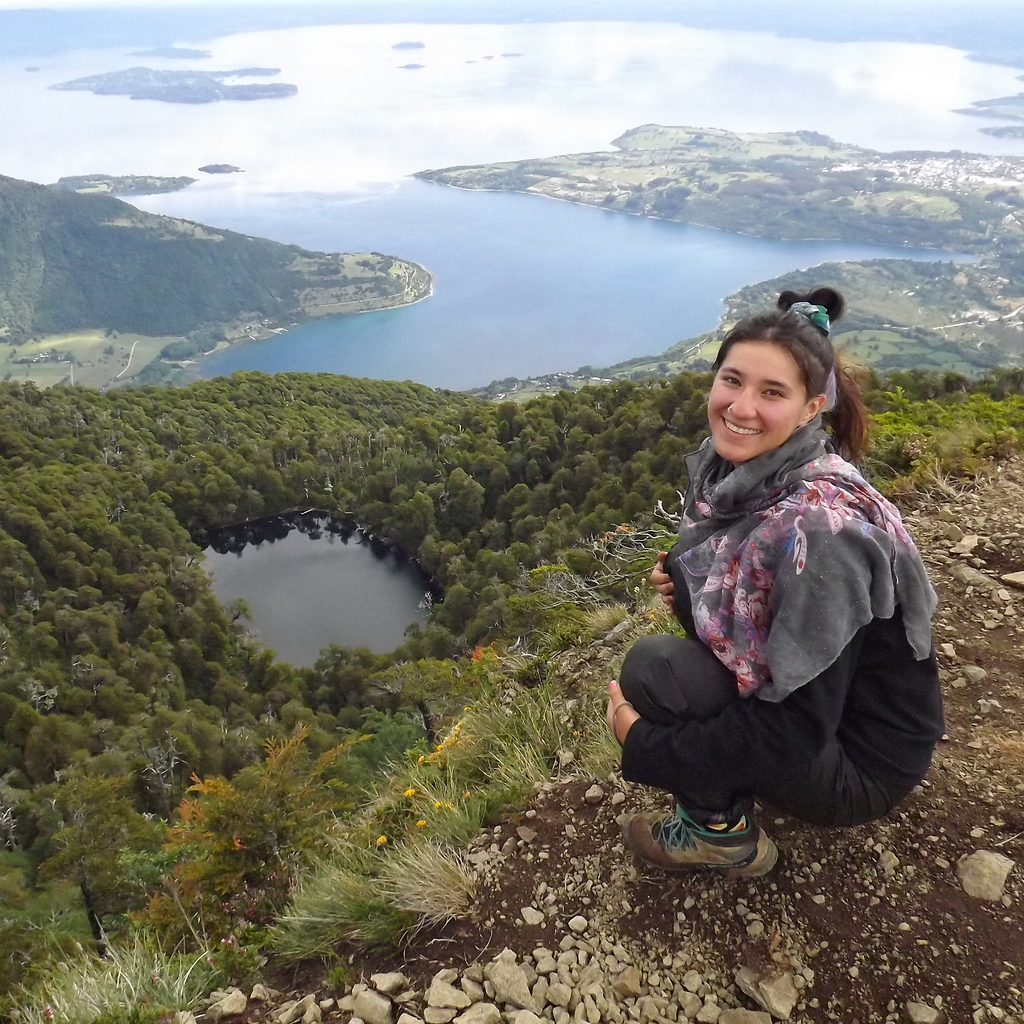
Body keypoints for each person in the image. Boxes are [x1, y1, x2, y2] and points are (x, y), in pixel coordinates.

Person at [605, 287, 944, 877]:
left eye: (772, 393)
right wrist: (690, 588)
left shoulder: (820, 531)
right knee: (684, 591)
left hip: (856, 764)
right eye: (732, 381)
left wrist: (646, 749)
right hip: (830, 718)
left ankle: (718, 837)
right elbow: (752, 600)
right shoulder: (745, 475)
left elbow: (793, 730)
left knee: (653, 669)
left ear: (812, 407)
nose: (741, 407)